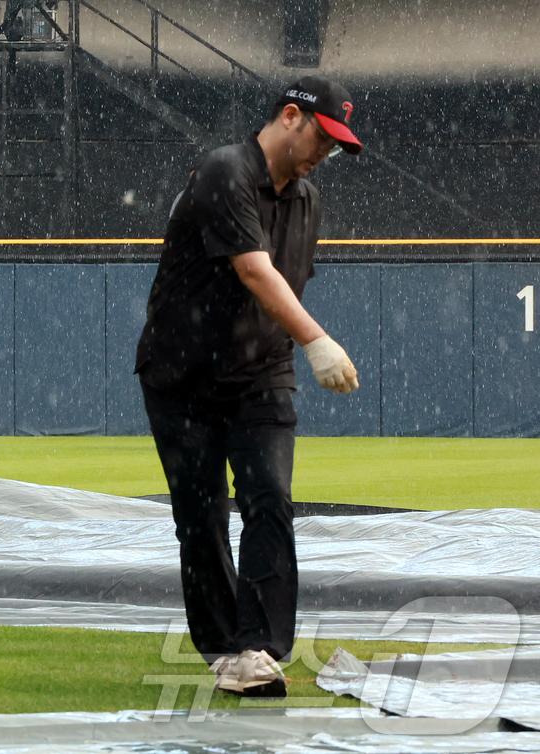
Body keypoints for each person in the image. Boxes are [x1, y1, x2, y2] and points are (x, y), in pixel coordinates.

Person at [134, 76, 363, 698]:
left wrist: (292, 347)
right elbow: (255, 271)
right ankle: (223, 651)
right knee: (201, 516)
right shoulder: (224, 171)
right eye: (324, 137)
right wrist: (319, 341)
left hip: (260, 371)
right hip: (181, 374)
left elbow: (287, 281)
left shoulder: (308, 200)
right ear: (291, 117)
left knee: (270, 500)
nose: (326, 153)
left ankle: (258, 649)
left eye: (337, 145)